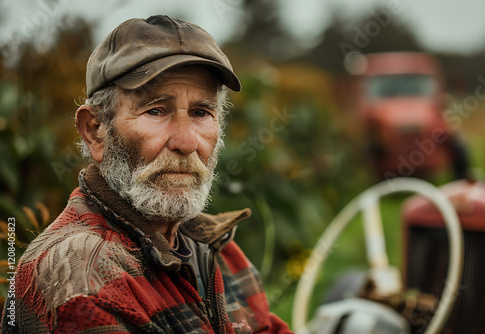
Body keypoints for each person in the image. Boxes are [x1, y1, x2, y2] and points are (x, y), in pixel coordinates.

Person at [2, 15, 293, 333]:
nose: (186, 143)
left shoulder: (213, 246)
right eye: (156, 110)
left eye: (201, 112)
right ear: (95, 131)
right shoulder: (85, 281)